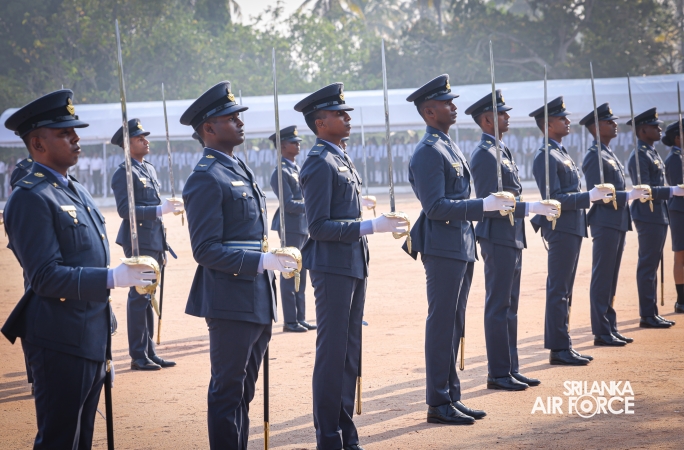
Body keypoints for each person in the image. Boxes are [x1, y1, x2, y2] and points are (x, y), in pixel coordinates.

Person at [1, 89, 156, 449]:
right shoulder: (30, 197)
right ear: (37, 143)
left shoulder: (77, 190)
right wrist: (112, 278)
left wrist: (104, 327)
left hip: (90, 332)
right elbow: (45, 276)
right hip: (58, 338)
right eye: (64, 133)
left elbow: (87, 258)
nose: (76, 139)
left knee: (82, 438)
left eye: (75, 131)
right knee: (60, 439)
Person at [180, 81, 297, 449]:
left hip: (257, 295)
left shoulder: (237, 167)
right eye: (231, 118)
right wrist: (262, 260)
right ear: (209, 128)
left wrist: (268, 257)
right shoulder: (206, 177)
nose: (240, 123)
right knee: (228, 390)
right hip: (230, 298)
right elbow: (205, 250)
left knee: (245, 390)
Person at [294, 82, 407, 450]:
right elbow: (318, 227)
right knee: (333, 353)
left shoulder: (340, 156)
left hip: (353, 263)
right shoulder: (319, 161)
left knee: (348, 351)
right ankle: (328, 436)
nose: (347, 118)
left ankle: (345, 431)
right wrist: (370, 226)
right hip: (332, 267)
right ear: (320, 122)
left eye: (346, 112)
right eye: (339, 113)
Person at [404, 74, 515, 425]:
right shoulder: (428, 151)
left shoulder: (447, 145)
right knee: (442, 324)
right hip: (442, 246)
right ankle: (438, 401)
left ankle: (451, 394)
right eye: (446, 103)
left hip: (460, 244)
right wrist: (483, 205)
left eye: (452, 102)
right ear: (429, 111)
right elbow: (435, 206)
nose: (454, 107)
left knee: (454, 323)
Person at [467, 91, 558, 391]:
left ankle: (511, 367)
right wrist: (530, 208)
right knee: (498, 305)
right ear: (487, 119)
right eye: (501, 113)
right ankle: (498, 372)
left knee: (510, 306)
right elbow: (490, 204)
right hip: (497, 236)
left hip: (512, 235)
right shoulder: (484, 154)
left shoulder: (500, 150)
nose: (507, 117)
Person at [530, 100, 614, 365]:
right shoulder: (546, 155)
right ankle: (558, 348)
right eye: (561, 119)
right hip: (560, 227)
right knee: (559, 289)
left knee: (565, 289)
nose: (568, 122)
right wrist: (589, 196)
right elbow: (554, 198)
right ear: (548, 125)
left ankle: (563, 343)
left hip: (572, 227)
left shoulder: (560, 152)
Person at [110, 118, 183, 370]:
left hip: (154, 240)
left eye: (145, 137)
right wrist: (160, 210)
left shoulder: (148, 169)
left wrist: (166, 214)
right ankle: (138, 355)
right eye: (140, 138)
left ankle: (149, 351)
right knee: (139, 295)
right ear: (127, 144)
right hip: (138, 241)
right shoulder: (124, 172)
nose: (146, 141)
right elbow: (125, 211)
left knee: (149, 295)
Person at [579, 103, 650, 346]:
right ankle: (601, 331)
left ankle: (610, 325)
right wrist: (627, 196)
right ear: (596, 127)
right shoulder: (594, 156)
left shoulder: (608, 153)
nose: (615, 124)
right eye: (609, 122)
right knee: (602, 277)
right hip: (605, 221)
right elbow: (599, 195)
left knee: (611, 278)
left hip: (617, 221)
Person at [627, 108, 684, 327]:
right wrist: (673, 191)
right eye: (654, 126)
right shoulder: (639, 154)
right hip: (647, 213)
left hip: (658, 213)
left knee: (652, 265)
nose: (659, 129)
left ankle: (652, 312)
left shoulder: (651, 152)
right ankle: (647, 315)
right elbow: (645, 189)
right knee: (648, 265)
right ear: (642, 130)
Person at [269, 125, 315, 333]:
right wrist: (312, 205)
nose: (298, 145)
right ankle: (290, 320)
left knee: (301, 273)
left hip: (302, 226)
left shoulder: (296, 168)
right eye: (293, 142)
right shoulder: (280, 172)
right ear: (282, 146)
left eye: (298, 142)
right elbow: (288, 204)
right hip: (290, 226)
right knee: (289, 272)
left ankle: (300, 317)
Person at [663, 120, 684, 313]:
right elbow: (679, 186)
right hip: (679, 211)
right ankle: (681, 300)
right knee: (681, 255)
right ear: (678, 138)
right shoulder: (675, 159)